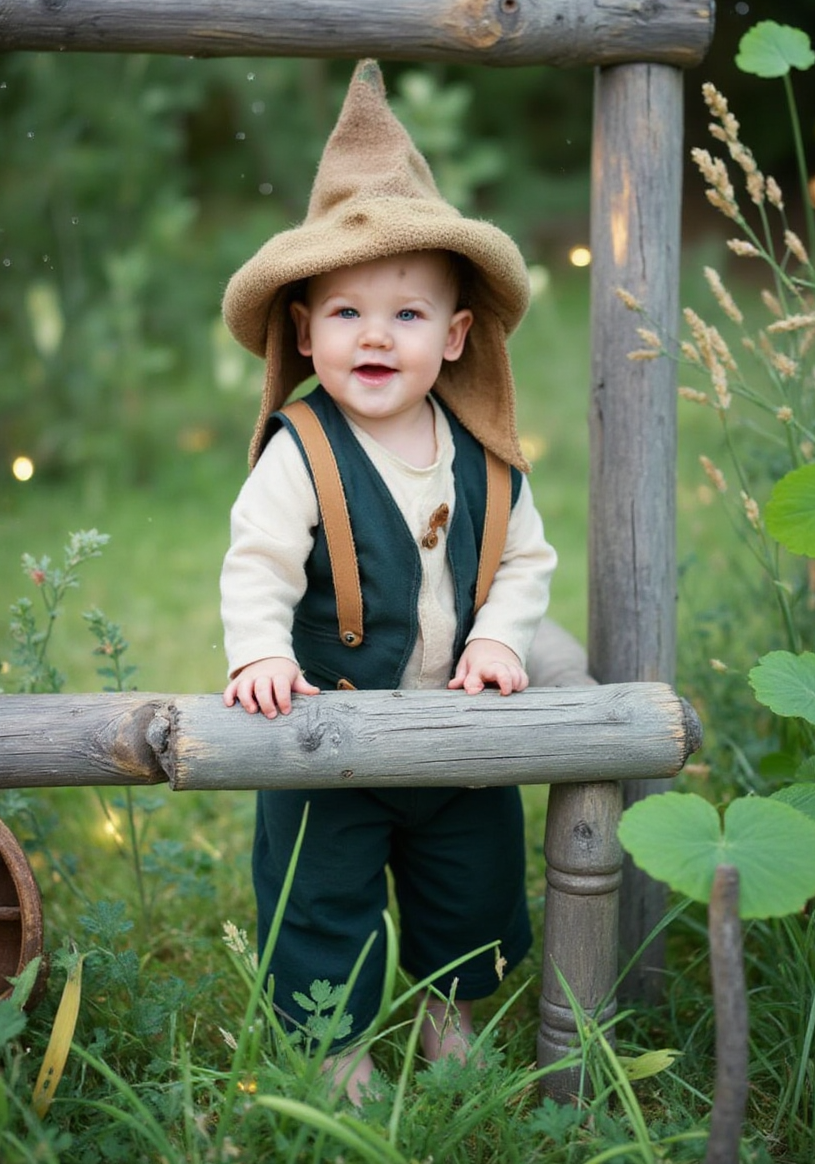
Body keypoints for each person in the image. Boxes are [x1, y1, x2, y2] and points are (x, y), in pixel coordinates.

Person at [219, 59, 556, 1102]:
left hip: (456, 735)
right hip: (332, 728)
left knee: (470, 884)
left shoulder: (484, 454)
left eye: (407, 315)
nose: (375, 335)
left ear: (454, 338)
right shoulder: (300, 451)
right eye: (347, 313)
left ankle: (451, 1021)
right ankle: (336, 1049)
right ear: (305, 331)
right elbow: (258, 563)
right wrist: (262, 653)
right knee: (323, 895)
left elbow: (524, 559)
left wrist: (498, 637)